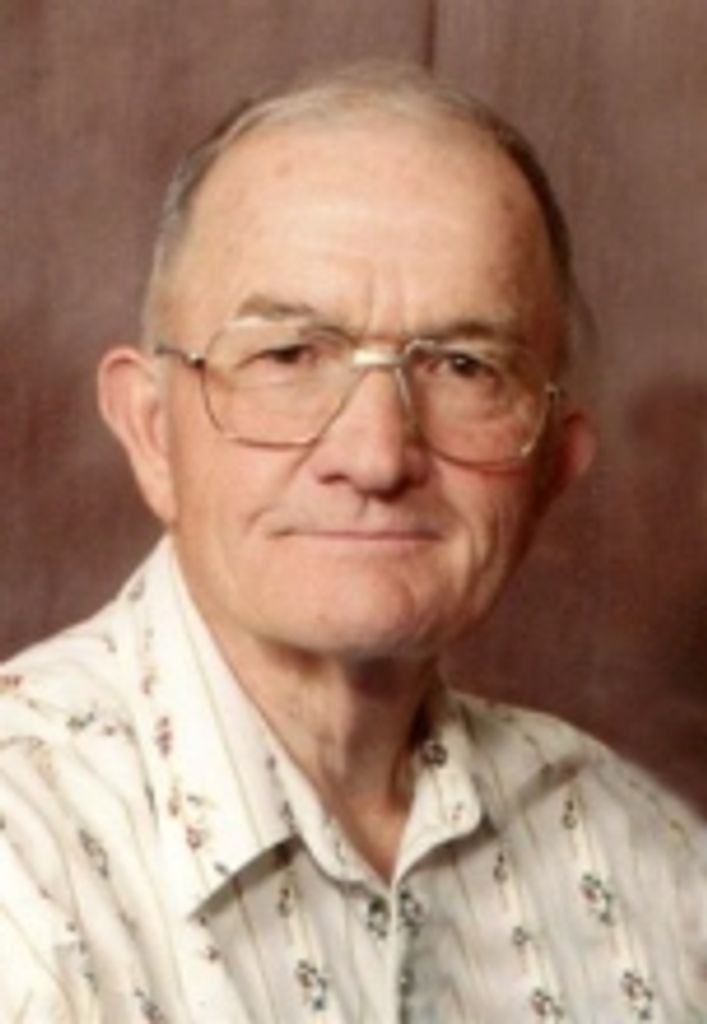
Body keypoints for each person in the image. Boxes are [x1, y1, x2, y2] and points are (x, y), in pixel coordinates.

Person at [0, 62, 704, 1023]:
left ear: (552, 466)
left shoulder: (648, 860)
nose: (375, 456)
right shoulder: (22, 859)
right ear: (153, 432)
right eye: (288, 355)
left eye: (464, 366)